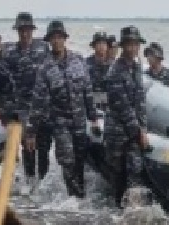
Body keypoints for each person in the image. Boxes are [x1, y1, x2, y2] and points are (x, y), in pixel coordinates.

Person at [26, 21, 98, 198]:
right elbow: (38, 101)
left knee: (80, 161)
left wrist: (93, 117)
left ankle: (81, 199)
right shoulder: (45, 67)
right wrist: (31, 132)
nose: (56, 41)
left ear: (65, 39)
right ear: (49, 41)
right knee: (67, 160)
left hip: (79, 120)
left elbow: (87, 90)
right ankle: (74, 200)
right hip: (60, 123)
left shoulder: (78, 60)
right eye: (53, 38)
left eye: (59, 37)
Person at [2, 11, 52, 193]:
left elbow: (53, 73)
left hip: (44, 107)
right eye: (21, 30)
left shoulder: (43, 48)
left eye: (28, 30)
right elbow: (3, 82)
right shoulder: (10, 54)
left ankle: (44, 185)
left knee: (44, 147)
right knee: (28, 147)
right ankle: (30, 183)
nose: (24, 34)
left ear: (32, 30)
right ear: (17, 31)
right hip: (23, 109)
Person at [105, 26, 151, 207]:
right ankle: (117, 212)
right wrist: (139, 131)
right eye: (129, 45)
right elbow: (123, 107)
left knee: (135, 169)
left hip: (134, 130)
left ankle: (132, 211)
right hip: (117, 131)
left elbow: (140, 102)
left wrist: (144, 128)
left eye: (135, 44)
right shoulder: (115, 71)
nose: (132, 48)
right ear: (123, 46)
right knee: (117, 175)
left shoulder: (137, 68)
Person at [86, 31, 111, 111]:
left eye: (104, 43)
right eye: (99, 43)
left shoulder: (114, 66)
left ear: (107, 46)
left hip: (109, 109)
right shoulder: (85, 64)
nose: (101, 46)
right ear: (94, 46)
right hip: (90, 108)